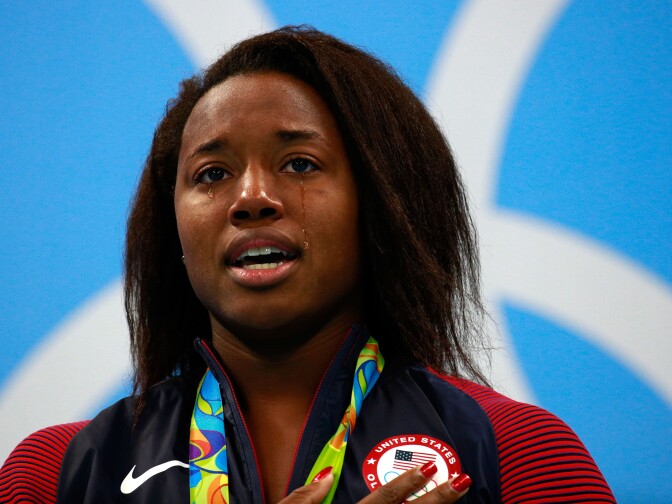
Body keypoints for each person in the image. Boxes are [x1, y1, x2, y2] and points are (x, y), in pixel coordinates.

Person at [0, 27, 615, 503]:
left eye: (299, 163)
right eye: (212, 175)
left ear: (378, 201)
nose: (251, 198)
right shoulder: (56, 473)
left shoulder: (517, 453)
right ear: (174, 228)